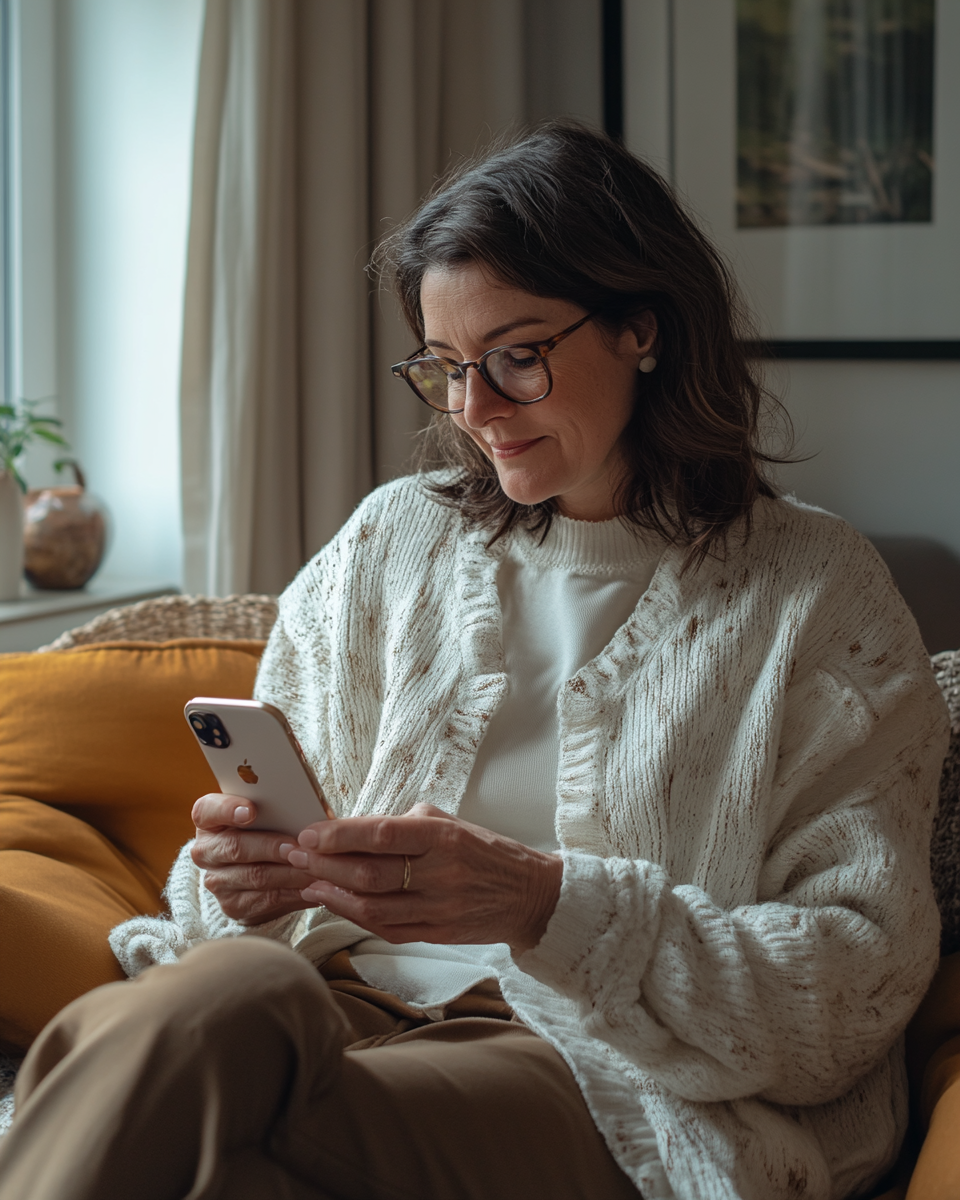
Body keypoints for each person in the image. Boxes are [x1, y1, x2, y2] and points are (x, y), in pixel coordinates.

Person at [0, 121, 950, 1200]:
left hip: (595, 1073)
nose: (474, 411)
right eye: (446, 368)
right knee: (223, 1007)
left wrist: (544, 904)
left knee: (219, 1068)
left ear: (643, 325)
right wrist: (244, 884)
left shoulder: (816, 595)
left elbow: (853, 993)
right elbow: (231, 897)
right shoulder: (388, 544)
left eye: (516, 357)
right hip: (328, 1005)